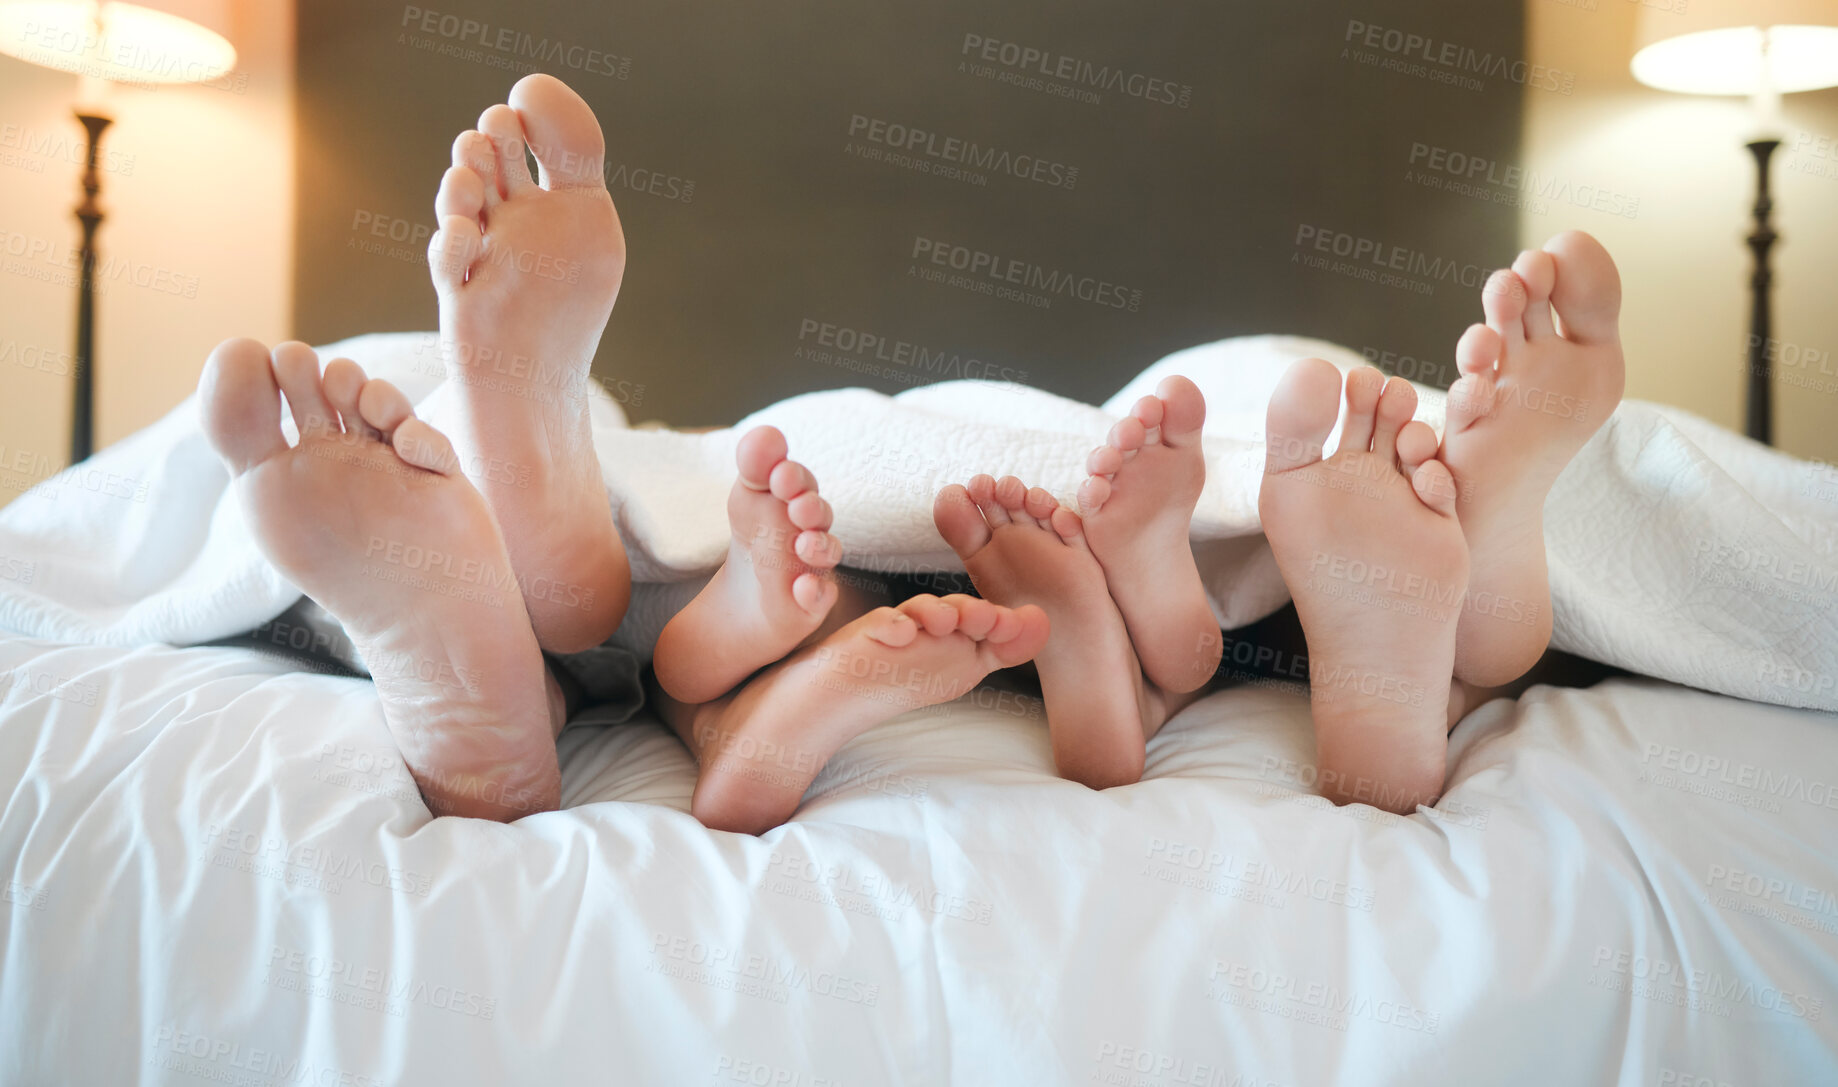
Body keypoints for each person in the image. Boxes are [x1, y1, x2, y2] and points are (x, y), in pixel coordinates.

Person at [195, 73, 1623, 830]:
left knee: (679, 633)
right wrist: (1118, 588)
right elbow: (1178, 665)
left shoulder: (850, 478)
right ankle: (1442, 597)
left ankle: (526, 631)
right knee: (1250, 566)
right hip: (1153, 619)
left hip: (760, 611)